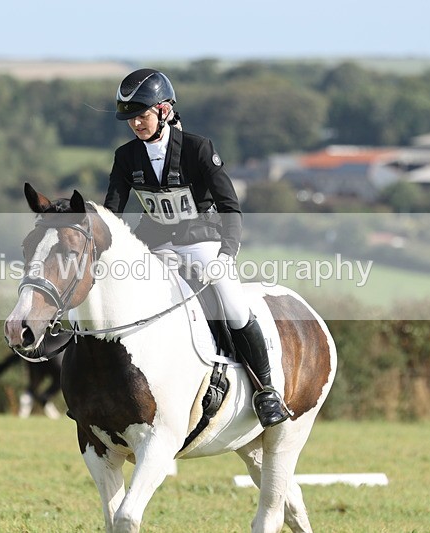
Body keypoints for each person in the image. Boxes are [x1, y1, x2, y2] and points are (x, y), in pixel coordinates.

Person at [103, 68, 289, 428]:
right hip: (154, 244)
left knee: (232, 305)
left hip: (202, 242)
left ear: (164, 110)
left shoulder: (197, 148)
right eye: (131, 119)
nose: (136, 124)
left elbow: (230, 207)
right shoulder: (126, 157)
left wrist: (226, 255)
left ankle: (266, 390)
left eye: (142, 116)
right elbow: (113, 211)